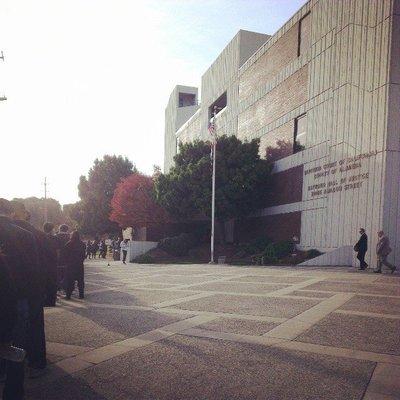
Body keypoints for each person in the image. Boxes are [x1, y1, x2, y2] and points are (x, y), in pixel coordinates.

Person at [0, 199, 41, 400]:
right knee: (16, 347)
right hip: (17, 299)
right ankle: (13, 392)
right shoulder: (25, 235)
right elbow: (34, 272)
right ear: (12, 213)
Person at [64, 231, 86, 299]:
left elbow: (65, 255)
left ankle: (68, 295)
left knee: (70, 280)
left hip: (70, 265)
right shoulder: (82, 244)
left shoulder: (68, 244)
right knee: (80, 280)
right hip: (79, 264)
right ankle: (81, 294)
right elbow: (83, 255)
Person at [55, 224, 70, 289]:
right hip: (67, 258)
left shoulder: (55, 237)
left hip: (57, 258)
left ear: (60, 229)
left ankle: (58, 286)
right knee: (66, 273)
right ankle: (65, 286)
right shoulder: (70, 237)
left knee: (58, 273)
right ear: (67, 229)